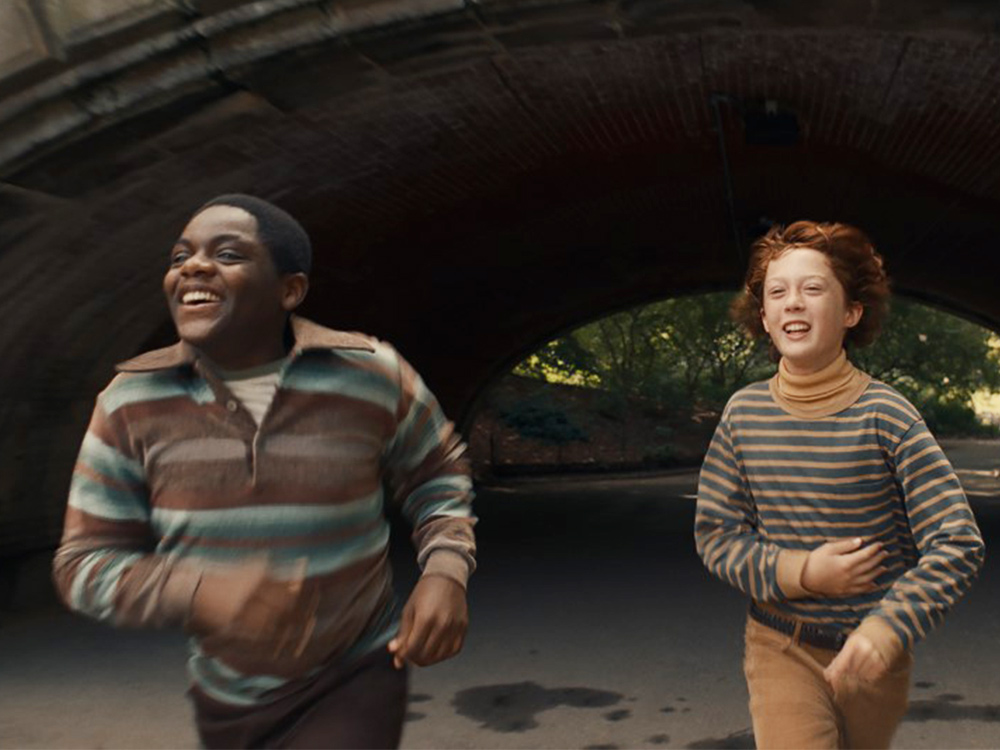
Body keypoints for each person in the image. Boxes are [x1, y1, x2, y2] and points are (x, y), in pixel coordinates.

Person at [52, 194, 476, 749]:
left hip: (357, 671)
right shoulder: (128, 401)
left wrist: (446, 570)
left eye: (227, 254)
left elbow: (436, 475)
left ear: (290, 290)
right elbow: (83, 563)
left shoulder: (372, 373)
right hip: (226, 697)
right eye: (181, 256)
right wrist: (200, 592)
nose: (193, 267)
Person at [694, 220, 984, 749]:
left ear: (852, 311)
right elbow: (715, 535)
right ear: (763, 316)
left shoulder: (888, 416)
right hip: (779, 643)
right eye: (777, 292)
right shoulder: (743, 415)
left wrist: (889, 628)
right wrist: (801, 571)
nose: (793, 303)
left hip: (873, 658)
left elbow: (958, 542)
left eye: (813, 288)